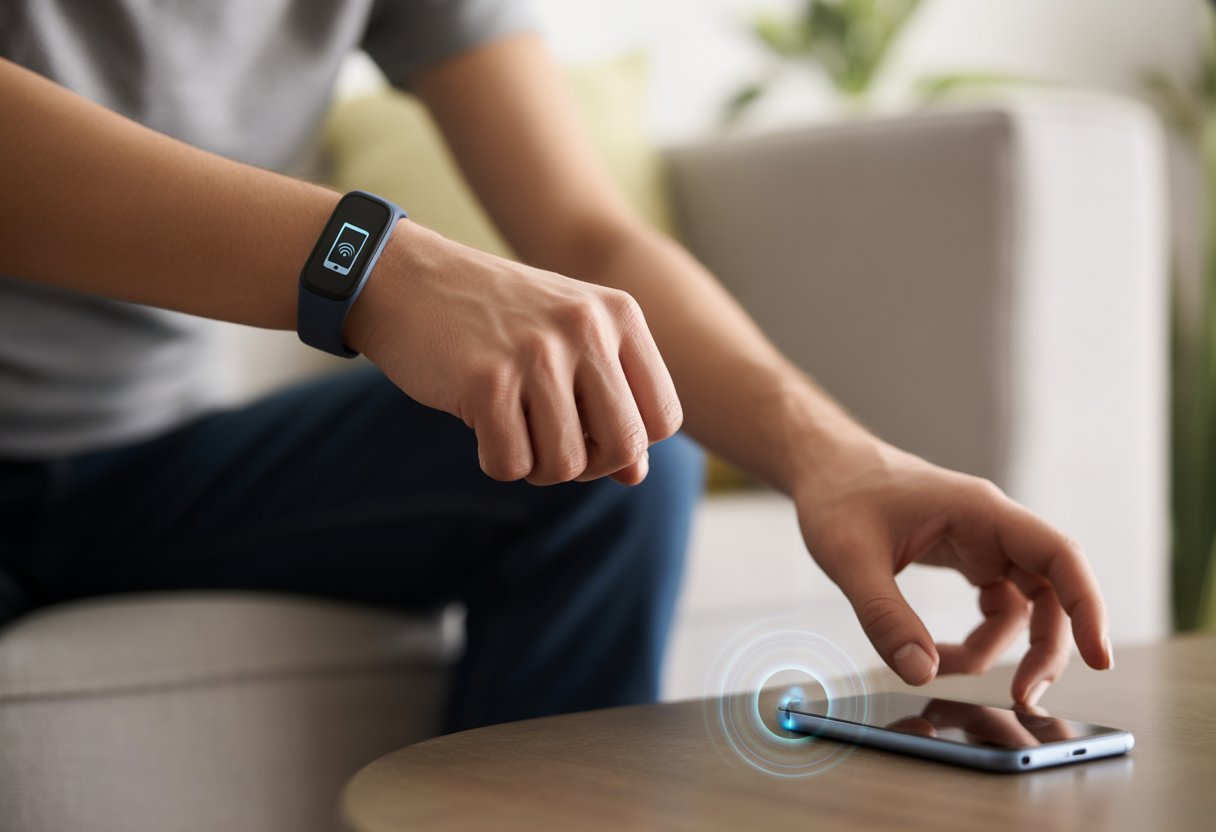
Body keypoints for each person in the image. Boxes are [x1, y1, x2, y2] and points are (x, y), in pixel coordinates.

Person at [0, 0, 1112, 732]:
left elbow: (588, 232)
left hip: (138, 462)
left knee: (614, 456)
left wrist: (835, 458)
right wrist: (379, 266)